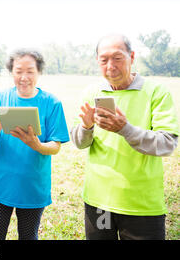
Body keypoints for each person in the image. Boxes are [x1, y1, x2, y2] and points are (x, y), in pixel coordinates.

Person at [70, 34, 179, 240]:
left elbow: (167, 144)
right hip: (99, 202)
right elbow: (79, 142)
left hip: (142, 206)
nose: (110, 65)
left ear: (132, 56)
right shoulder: (92, 92)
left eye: (117, 57)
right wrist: (86, 126)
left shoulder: (156, 92)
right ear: (97, 62)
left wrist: (125, 129)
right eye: (104, 59)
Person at [0, 49, 70, 240]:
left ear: (39, 72)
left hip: (33, 186)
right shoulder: (0, 99)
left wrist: (36, 144)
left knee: (28, 236)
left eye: (30, 71)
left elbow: (55, 146)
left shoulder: (52, 103)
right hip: (1, 185)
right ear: (11, 72)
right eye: (18, 71)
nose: (24, 77)